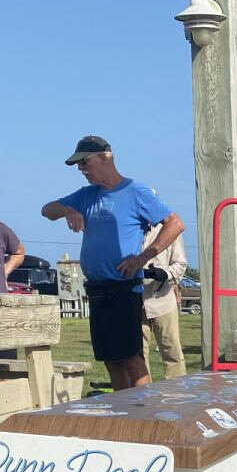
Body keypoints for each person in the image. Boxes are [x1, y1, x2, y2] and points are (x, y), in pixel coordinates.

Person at [41, 135, 183, 391]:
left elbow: (175, 224)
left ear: (106, 156)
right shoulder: (86, 195)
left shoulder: (136, 191)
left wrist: (143, 258)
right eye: (78, 166)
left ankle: (142, 410)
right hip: (96, 289)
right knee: (110, 359)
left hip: (123, 288)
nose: (81, 170)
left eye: (84, 162)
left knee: (132, 358)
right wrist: (67, 210)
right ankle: (123, 409)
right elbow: (46, 210)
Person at [140, 222, 188, 380]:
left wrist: (165, 273)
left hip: (163, 300)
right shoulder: (130, 228)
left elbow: (180, 264)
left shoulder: (170, 229)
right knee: (138, 354)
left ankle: (176, 397)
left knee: (171, 351)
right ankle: (142, 396)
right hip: (135, 300)